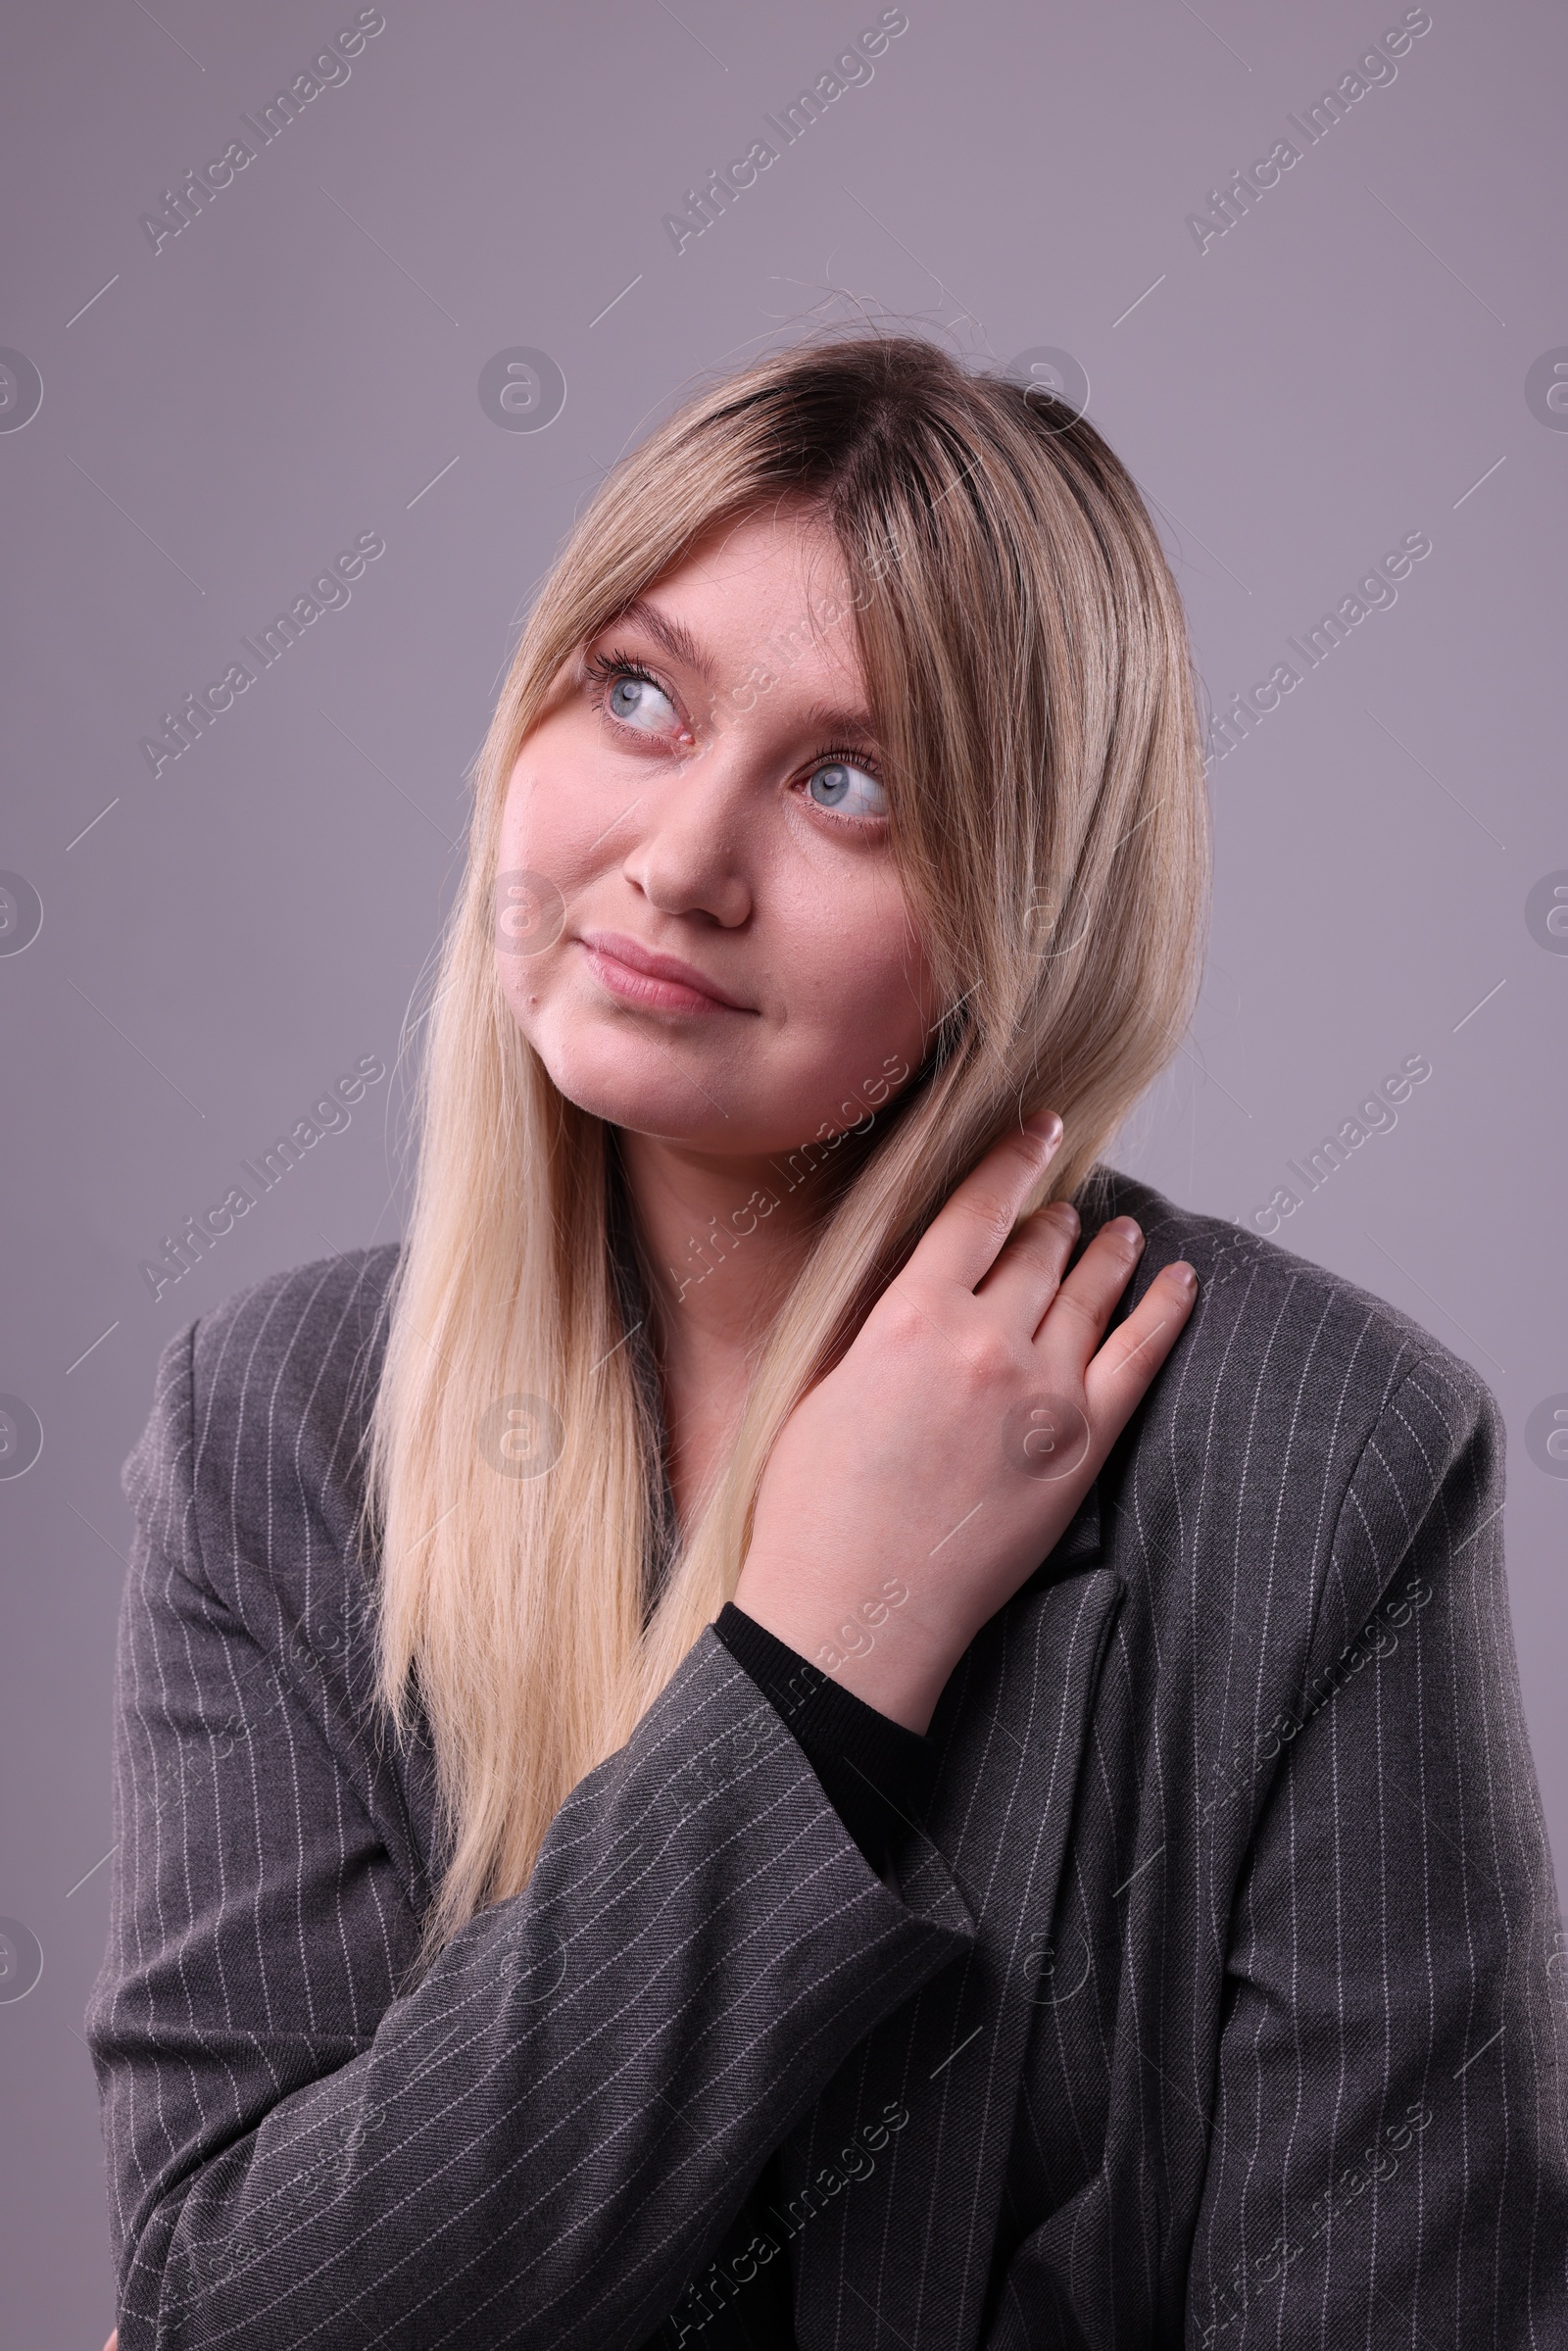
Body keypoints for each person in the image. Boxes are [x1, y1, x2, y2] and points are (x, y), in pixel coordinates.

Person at [87, 330, 1568, 2349]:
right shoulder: (274, 1427)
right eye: (636, 694)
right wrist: (807, 1668)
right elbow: (226, 2322)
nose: (679, 861)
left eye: (845, 784)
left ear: (1019, 920)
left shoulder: (1330, 1464)